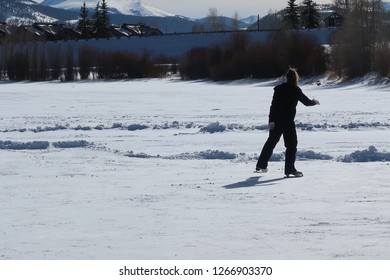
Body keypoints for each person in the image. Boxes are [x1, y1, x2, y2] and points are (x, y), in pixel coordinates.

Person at [255, 68, 320, 177]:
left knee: (270, 143)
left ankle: (261, 165)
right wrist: (314, 102)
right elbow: (306, 102)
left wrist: (271, 120)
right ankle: (289, 169)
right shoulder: (295, 89)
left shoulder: (279, 89)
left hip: (276, 121)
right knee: (291, 145)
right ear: (295, 78)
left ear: (286, 78)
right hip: (288, 122)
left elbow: (273, 106)